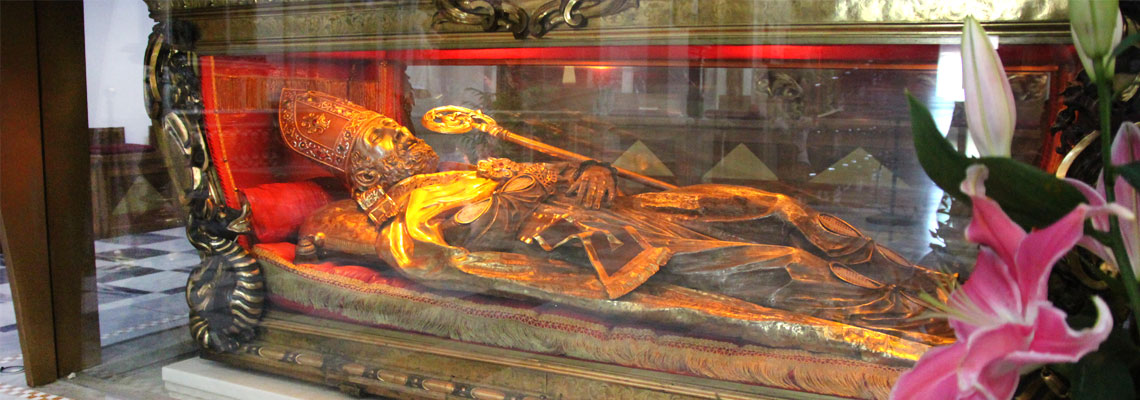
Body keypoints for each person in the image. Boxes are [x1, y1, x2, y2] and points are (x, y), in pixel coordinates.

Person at [279, 88, 953, 348]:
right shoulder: (419, 207)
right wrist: (512, 206)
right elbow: (441, 258)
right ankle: (913, 318)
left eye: (399, 130)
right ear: (372, 174)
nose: (410, 138)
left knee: (778, 206)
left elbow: (549, 179)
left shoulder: (461, 166)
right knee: (782, 261)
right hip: (610, 246)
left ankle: (915, 281)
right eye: (392, 142)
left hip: (620, 209)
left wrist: (568, 170)